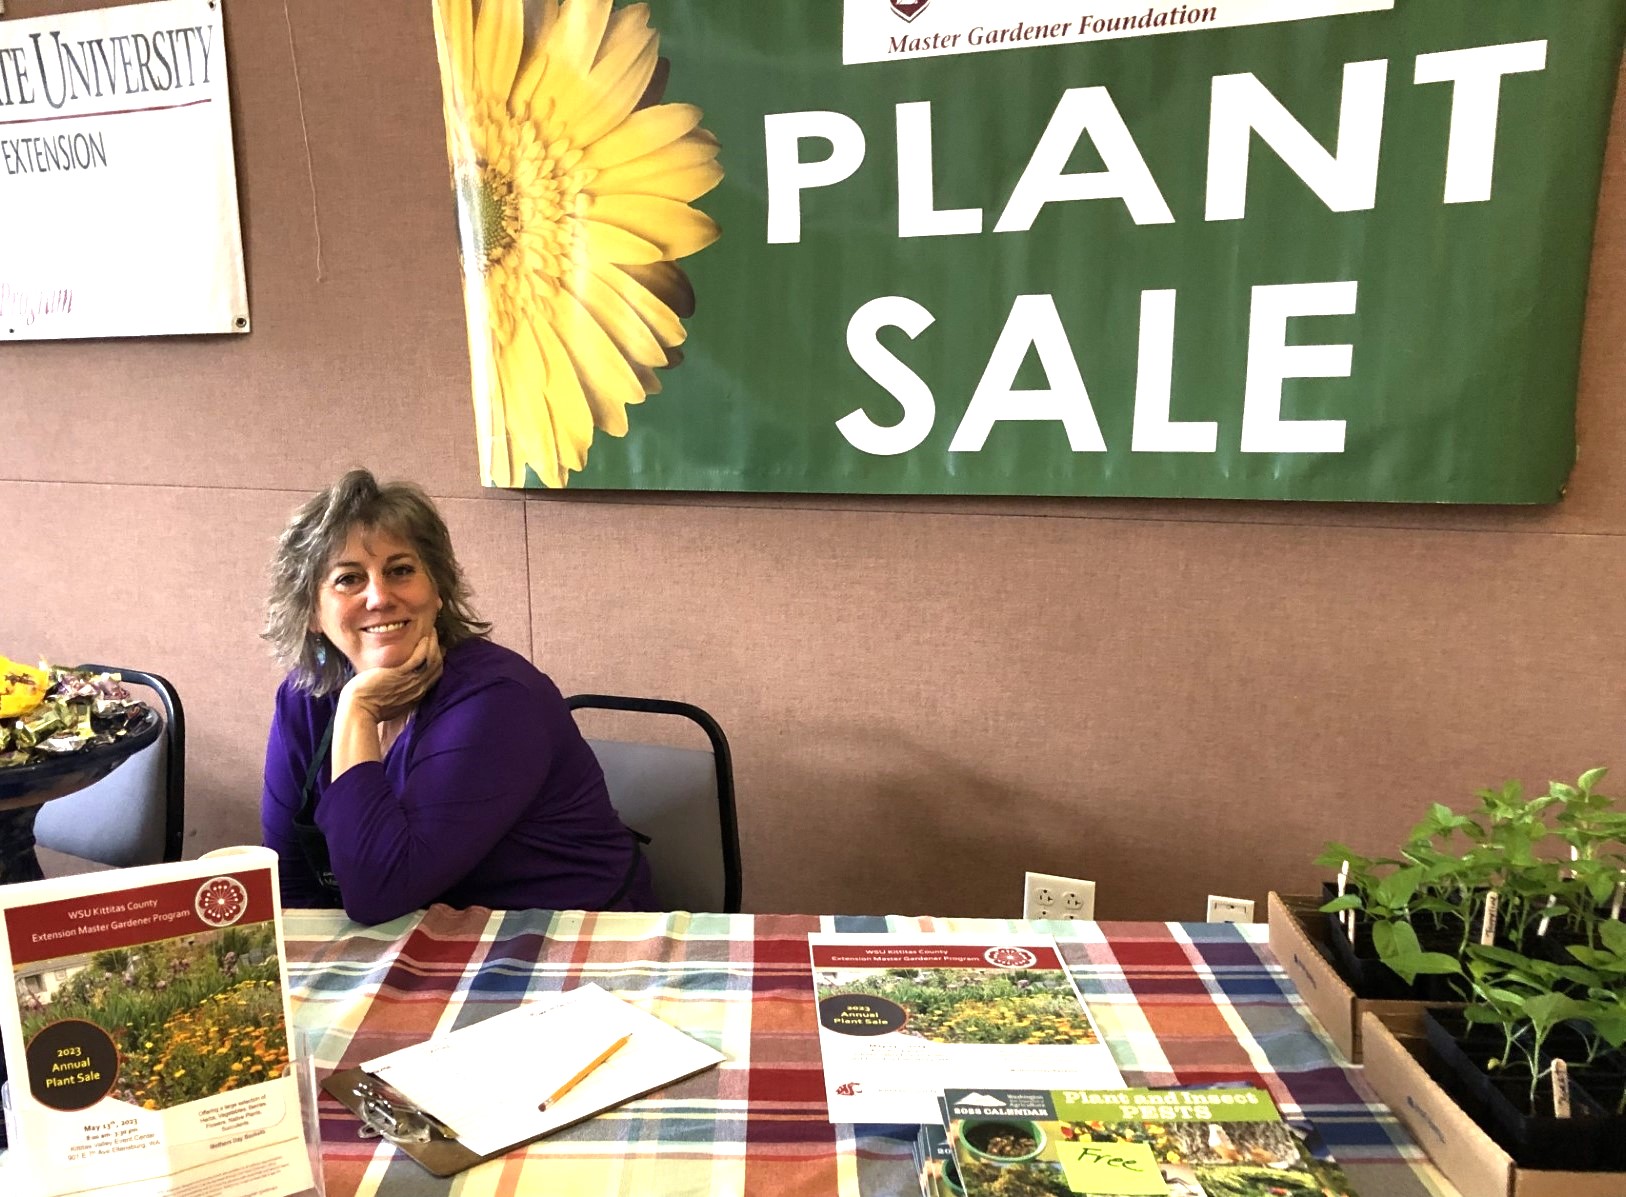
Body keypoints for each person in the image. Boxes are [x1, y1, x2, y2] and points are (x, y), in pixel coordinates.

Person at [260, 468, 653, 923]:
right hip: (416, 938)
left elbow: (378, 891)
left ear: (437, 591)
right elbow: (288, 880)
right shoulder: (303, 699)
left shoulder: (498, 700)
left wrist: (358, 710)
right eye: (348, 579)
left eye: (400, 570)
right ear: (311, 612)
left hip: (568, 938)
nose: (380, 597)